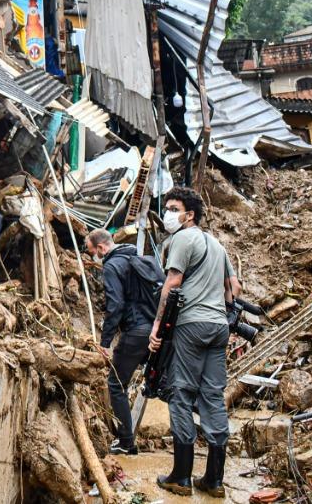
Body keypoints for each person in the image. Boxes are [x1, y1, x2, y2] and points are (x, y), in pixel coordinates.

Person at [148, 186, 241, 498]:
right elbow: (233, 290)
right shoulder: (217, 245)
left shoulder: (182, 239)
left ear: (189, 215)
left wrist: (157, 326)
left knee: (181, 394)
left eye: (174, 209)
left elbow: (172, 283)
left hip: (191, 324)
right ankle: (214, 480)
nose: (169, 214)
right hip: (218, 327)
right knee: (213, 396)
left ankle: (181, 476)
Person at [86, 228, 164, 455]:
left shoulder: (111, 266)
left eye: (92, 252)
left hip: (136, 333)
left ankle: (126, 442)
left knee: (116, 384)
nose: (94, 257)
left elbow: (116, 305)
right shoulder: (136, 258)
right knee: (164, 383)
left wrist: (105, 341)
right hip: (155, 332)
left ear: (101, 248)